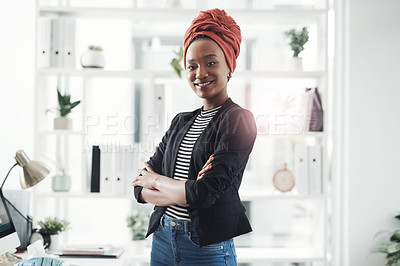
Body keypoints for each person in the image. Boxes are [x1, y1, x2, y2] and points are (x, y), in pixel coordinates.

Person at [132, 8, 257, 266]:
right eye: (192, 66)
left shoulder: (238, 120)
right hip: (163, 240)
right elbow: (138, 189)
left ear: (229, 67)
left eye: (211, 62)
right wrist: (185, 191)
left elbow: (203, 194)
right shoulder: (181, 121)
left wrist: (156, 180)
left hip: (207, 248)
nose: (200, 73)